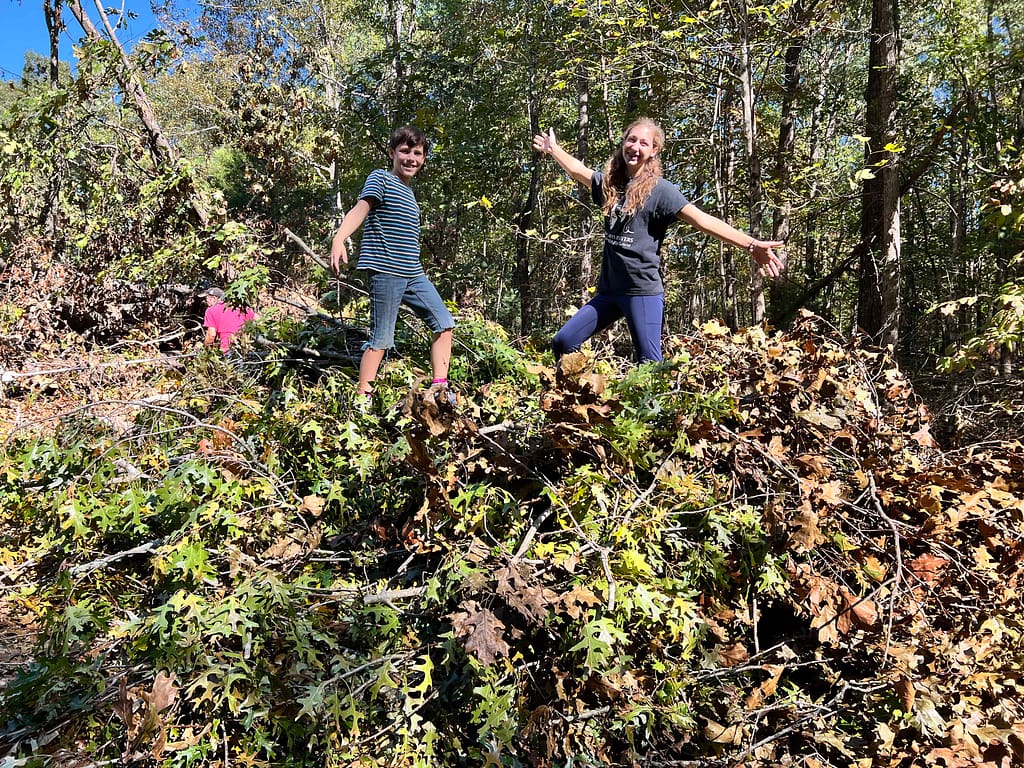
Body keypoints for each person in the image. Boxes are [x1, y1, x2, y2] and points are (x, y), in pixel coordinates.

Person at [532, 118, 784, 363]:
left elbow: (702, 220)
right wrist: (554, 149)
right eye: (631, 140)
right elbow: (579, 171)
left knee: (649, 365)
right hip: (609, 292)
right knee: (563, 342)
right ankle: (578, 400)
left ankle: (657, 406)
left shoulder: (661, 191)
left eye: (644, 143)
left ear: (654, 150)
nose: (635, 147)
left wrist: (751, 245)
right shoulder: (611, 184)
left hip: (642, 293)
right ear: (623, 143)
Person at [330, 125, 456, 407]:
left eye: (417, 153)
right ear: (392, 153)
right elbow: (361, 208)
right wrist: (340, 238)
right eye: (405, 151)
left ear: (423, 159)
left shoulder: (411, 196)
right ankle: (362, 399)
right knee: (382, 338)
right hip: (386, 270)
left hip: (413, 272)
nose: (411, 158)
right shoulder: (381, 179)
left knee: (444, 323)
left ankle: (440, 391)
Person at [203, 286, 255, 353]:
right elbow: (259, 320)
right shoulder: (239, 307)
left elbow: (211, 335)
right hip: (245, 348)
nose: (206, 301)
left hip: (227, 349)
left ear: (214, 298)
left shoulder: (211, 310)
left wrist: (205, 351)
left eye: (207, 298)